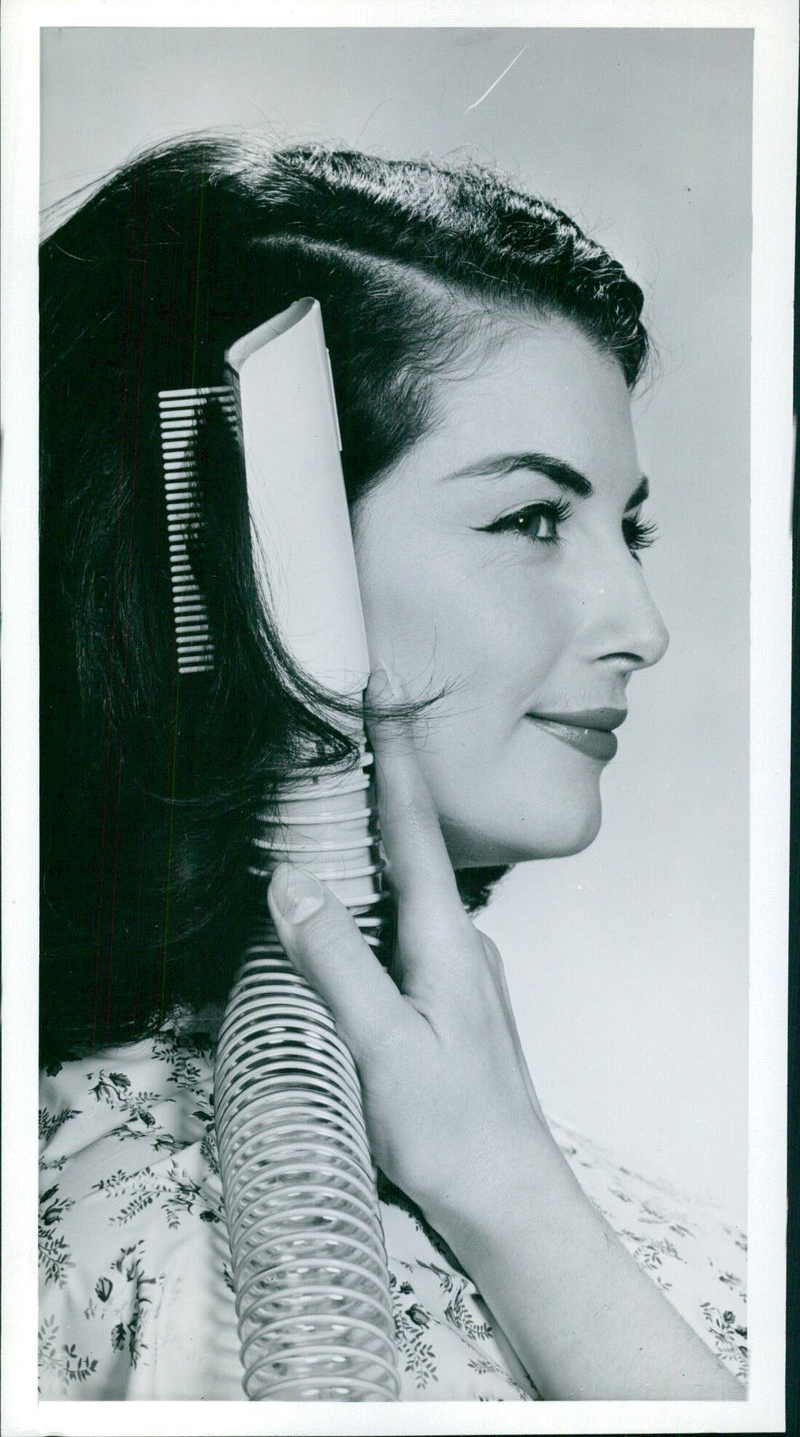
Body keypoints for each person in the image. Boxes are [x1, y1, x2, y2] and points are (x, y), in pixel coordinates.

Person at [38, 136, 747, 1401]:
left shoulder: (512, 1178)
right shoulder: (136, 1269)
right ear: (230, 554)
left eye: (622, 525)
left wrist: (509, 1187)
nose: (640, 625)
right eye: (531, 518)